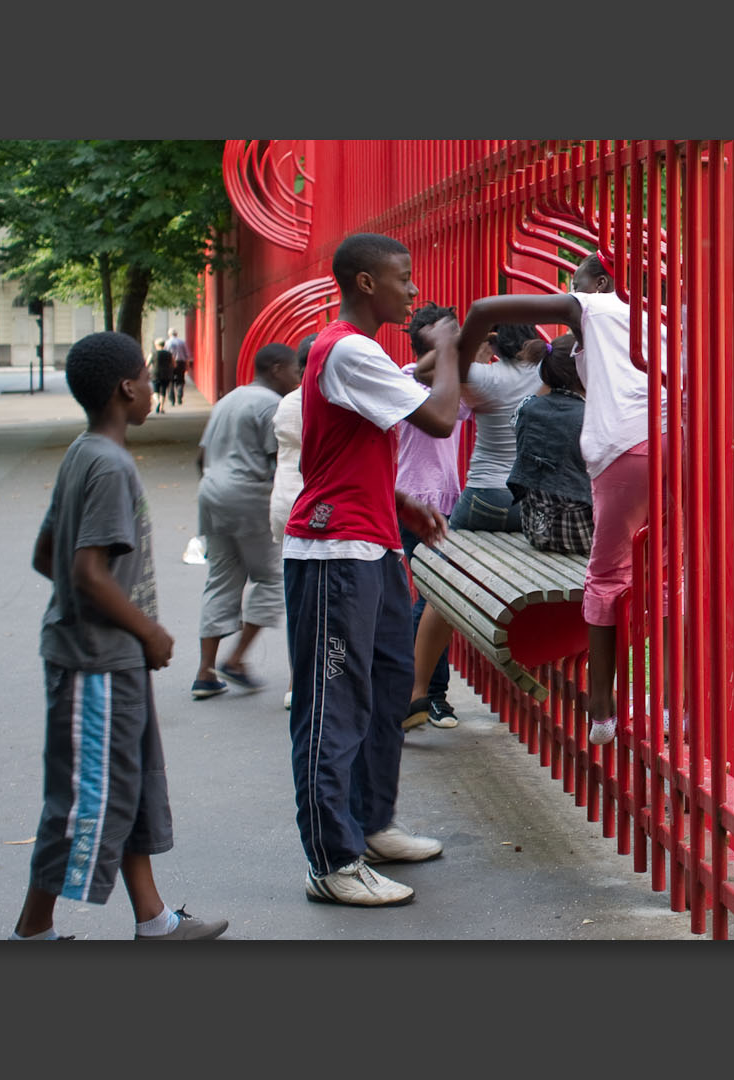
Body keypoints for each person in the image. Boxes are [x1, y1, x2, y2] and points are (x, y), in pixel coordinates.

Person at [9, 330, 228, 941]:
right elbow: (84, 571)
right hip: (96, 664)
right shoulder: (108, 464)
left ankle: (155, 922)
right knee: (85, 802)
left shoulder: (84, 452)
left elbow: (46, 554)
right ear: (126, 388)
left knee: (127, 786)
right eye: (147, 375)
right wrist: (149, 631)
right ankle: (32, 932)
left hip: (107, 659)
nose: (154, 384)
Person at [283, 232, 468, 907]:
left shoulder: (358, 355)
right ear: (365, 283)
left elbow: (336, 454)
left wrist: (402, 504)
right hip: (334, 561)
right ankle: (333, 861)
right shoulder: (348, 348)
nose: (413, 290)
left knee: (388, 690)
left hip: (373, 547)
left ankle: (370, 823)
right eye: (402, 278)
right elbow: (443, 417)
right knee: (334, 705)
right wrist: (448, 348)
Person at [448, 252, 669, 747]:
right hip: (678, 440)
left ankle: (602, 710)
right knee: (669, 571)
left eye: (577, 284)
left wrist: (454, 371)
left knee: (608, 575)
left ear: (604, 281)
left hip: (625, 447)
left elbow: (484, 308)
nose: (573, 292)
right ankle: (670, 703)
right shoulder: (661, 315)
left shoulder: (593, 307)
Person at [190, 342, 302, 700]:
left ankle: (205, 672)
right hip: (250, 496)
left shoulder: (228, 400)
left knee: (221, 577)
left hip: (211, 493)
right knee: (271, 578)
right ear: (276, 369)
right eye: (294, 371)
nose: (299, 378)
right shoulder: (272, 405)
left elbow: (201, 456)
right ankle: (236, 660)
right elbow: (281, 462)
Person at [397, 305, 469, 732]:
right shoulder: (405, 380)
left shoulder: (450, 384)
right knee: (432, 597)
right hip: (416, 501)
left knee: (432, 597)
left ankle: (424, 694)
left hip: (444, 498)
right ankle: (423, 694)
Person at [447, 323, 546, 531]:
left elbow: (436, 366)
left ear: (494, 343)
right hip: (529, 497)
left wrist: (475, 344)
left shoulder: (481, 374)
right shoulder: (546, 373)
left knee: (446, 544)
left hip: (485, 490)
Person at [507, 334, 594, 555]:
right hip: (583, 535)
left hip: (535, 530)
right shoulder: (591, 416)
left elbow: (515, 421)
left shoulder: (527, 407)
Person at [269, 331, 317, 713]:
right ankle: (305, 679)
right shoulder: (322, 401)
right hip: (313, 505)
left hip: (284, 501)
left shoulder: (287, 402)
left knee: (296, 598)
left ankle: (294, 679)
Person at [167, 328, 192, 405]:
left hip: (170, 364)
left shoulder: (167, 343)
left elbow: (166, 355)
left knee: (170, 381)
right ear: (176, 334)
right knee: (180, 380)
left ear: (169, 334)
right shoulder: (182, 342)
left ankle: (172, 400)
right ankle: (179, 396)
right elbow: (187, 355)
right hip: (181, 363)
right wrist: (187, 366)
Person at [150, 340, 174, 414]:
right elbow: (174, 364)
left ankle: (158, 403)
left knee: (155, 391)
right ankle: (161, 408)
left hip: (155, 374)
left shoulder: (153, 353)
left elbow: (147, 364)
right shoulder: (169, 354)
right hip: (166, 374)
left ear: (156, 345)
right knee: (163, 391)